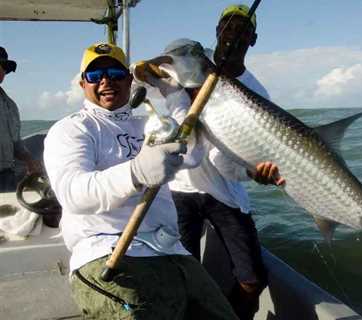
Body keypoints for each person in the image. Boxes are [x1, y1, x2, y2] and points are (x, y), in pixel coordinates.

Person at [43, 42, 239, 320]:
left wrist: (171, 92)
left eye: (115, 72)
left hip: (171, 251)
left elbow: (192, 150)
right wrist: (135, 172)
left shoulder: (148, 125)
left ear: (129, 79)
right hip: (107, 253)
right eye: (95, 75)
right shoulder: (72, 129)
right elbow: (73, 192)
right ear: (82, 83)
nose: (106, 81)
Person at [132, 5, 284, 320]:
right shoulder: (194, 57)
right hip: (177, 188)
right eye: (227, 27)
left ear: (252, 39)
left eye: (242, 30)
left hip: (225, 191)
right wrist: (148, 71)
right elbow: (143, 77)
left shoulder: (257, 92)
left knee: (252, 279)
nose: (233, 35)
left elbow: (242, 161)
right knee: (181, 274)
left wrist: (254, 173)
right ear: (217, 33)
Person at [0, 46, 41, 192]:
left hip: (6, 176)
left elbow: (16, 143)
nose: (0, 69)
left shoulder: (10, 106)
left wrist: (30, 161)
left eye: (3, 66)